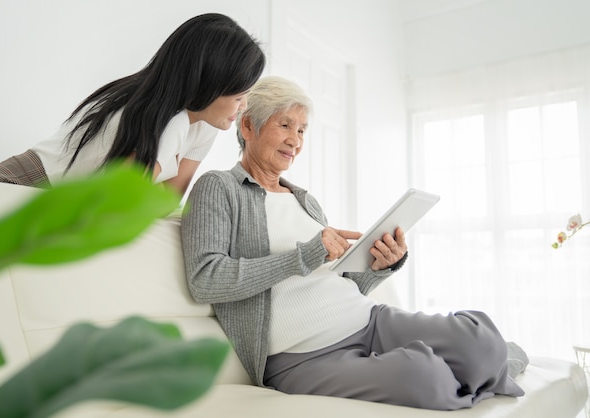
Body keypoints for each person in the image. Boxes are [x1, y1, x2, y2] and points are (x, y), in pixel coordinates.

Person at [180, 76, 526, 410]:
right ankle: (477, 373)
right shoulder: (219, 187)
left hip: (369, 320)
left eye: (301, 130)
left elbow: (343, 283)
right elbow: (205, 279)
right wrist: (306, 254)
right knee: (426, 378)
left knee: (479, 340)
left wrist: (381, 265)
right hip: (301, 356)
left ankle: (481, 362)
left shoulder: (305, 200)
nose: (295, 141)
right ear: (248, 127)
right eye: (285, 126)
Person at [0, 13, 265, 194]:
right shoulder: (168, 121)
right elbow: (122, 204)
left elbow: (167, 199)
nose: (243, 107)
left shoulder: (204, 123)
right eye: (239, 97)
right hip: (21, 185)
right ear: (208, 86)